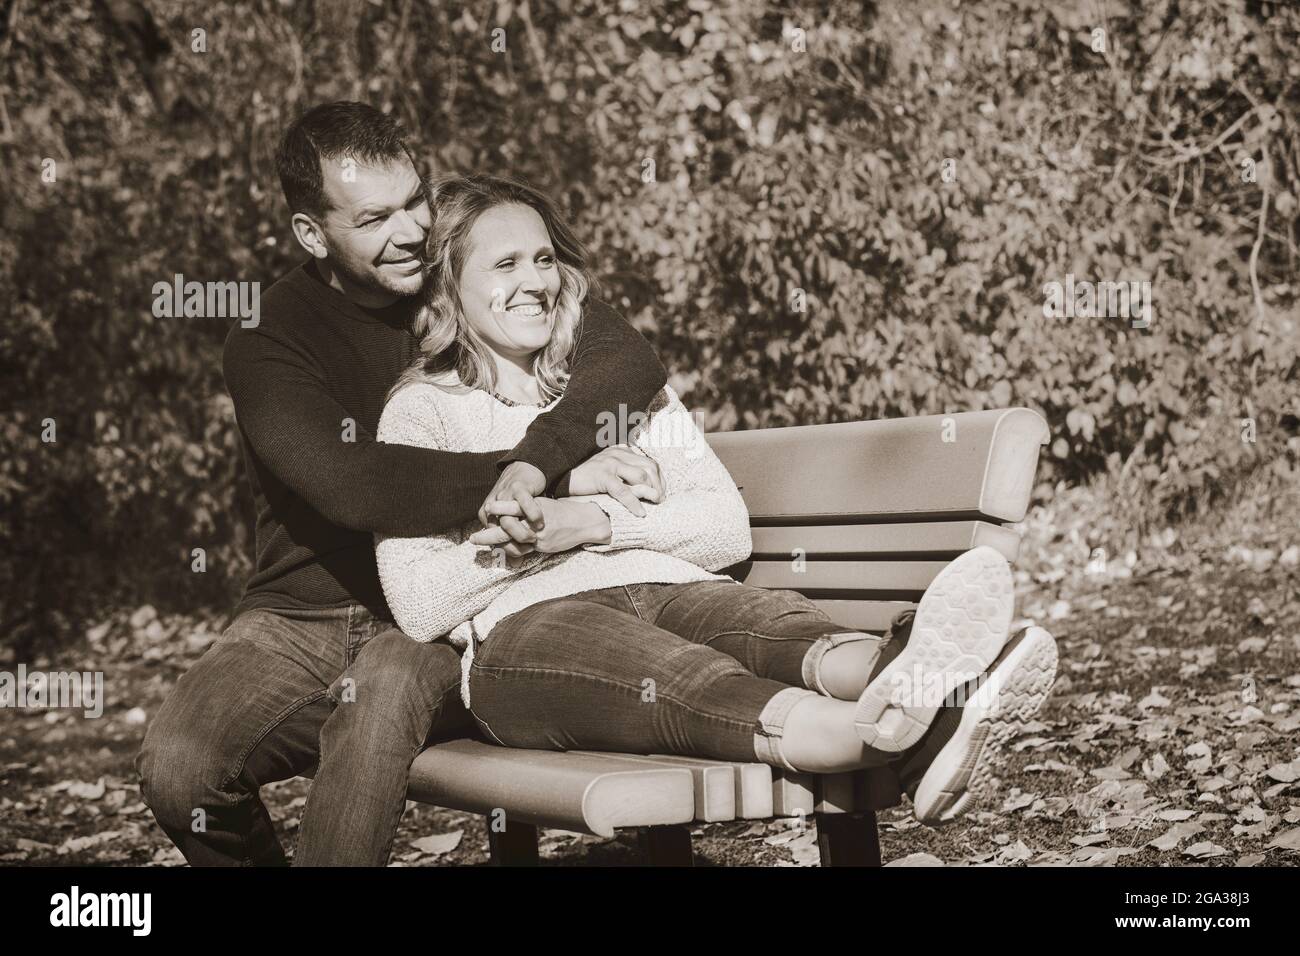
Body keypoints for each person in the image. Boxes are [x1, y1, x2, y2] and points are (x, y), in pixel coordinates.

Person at [375, 174, 1060, 825]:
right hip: (527, 633)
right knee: (681, 678)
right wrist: (534, 539)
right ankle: (903, 737)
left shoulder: (612, 386)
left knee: (771, 627)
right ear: (450, 287)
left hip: (671, 587)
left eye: (544, 259)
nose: (534, 282)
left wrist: (592, 524)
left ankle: (914, 679)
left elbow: (724, 529)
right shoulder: (422, 413)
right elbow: (418, 603)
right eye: (505, 266)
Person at [136, 102, 669, 865]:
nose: (412, 230)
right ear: (312, 235)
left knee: (381, 697)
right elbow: (354, 483)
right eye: (375, 217)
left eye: (416, 200)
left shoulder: (462, 272)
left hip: (444, 605)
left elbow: (625, 361)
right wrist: (556, 473)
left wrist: (537, 462)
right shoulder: (266, 334)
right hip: (301, 616)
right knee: (182, 769)